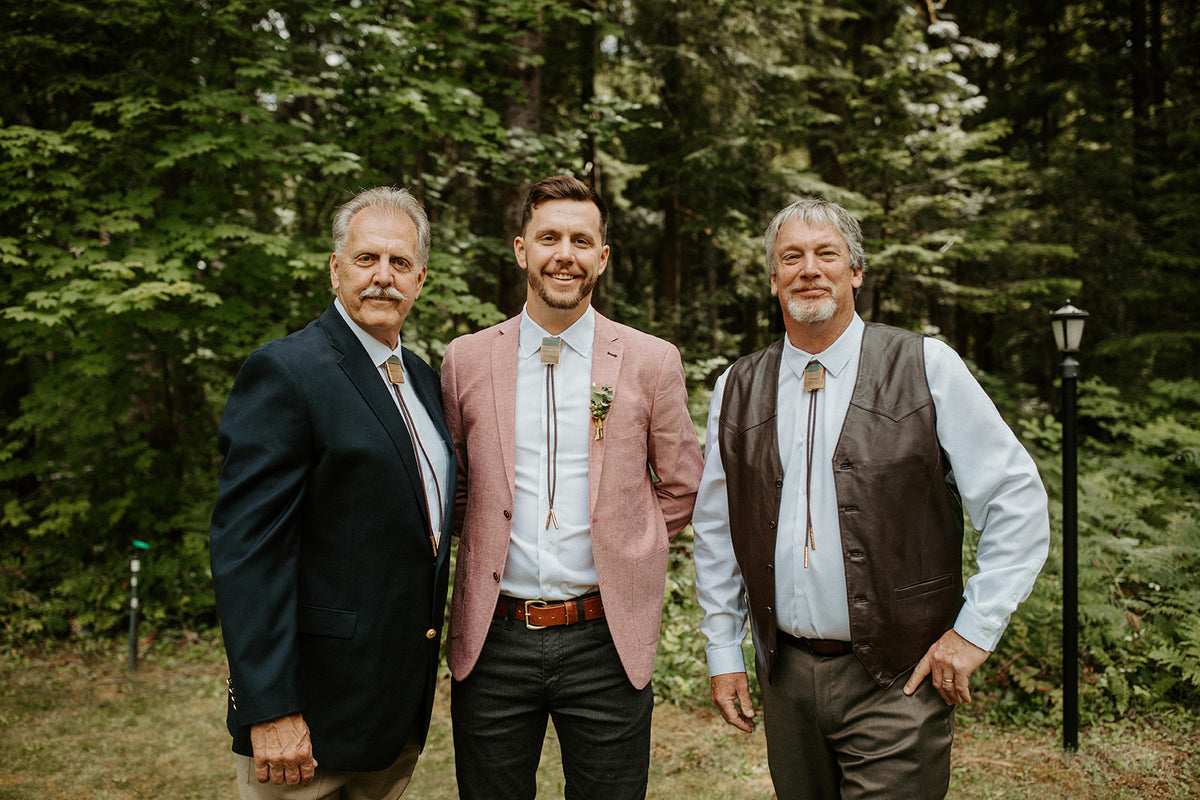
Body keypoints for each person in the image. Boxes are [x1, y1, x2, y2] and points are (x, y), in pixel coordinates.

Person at [693, 197, 1050, 799]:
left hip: (898, 681)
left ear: (855, 271)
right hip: (787, 680)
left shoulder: (926, 365)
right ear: (774, 278)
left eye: (826, 253)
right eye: (792, 257)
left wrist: (973, 632)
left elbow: (1016, 498)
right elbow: (717, 531)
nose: (810, 268)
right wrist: (724, 650)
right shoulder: (736, 385)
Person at [440, 174, 704, 799]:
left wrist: (624, 542)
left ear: (602, 257)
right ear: (521, 249)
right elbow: (453, 490)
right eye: (549, 237)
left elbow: (682, 485)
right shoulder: (466, 360)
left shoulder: (650, 360)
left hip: (604, 639)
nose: (565, 254)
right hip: (494, 639)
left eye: (582, 241)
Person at [209, 186, 455, 799]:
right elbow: (248, 554)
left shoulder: (423, 378)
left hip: (390, 717)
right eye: (367, 258)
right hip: (307, 722)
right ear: (335, 268)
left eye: (399, 263)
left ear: (420, 279)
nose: (383, 277)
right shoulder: (288, 372)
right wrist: (270, 708)